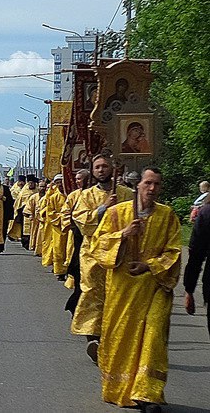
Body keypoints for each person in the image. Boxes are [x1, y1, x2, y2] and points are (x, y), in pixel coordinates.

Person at [92, 166, 180, 411]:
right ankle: (121, 389)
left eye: (157, 185)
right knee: (123, 338)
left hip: (154, 287)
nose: (152, 189)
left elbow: (173, 252)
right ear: (138, 185)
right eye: (148, 183)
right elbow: (98, 245)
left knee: (153, 338)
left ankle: (148, 393)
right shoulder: (117, 213)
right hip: (123, 289)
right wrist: (123, 234)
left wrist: (149, 265)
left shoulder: (167, 215)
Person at [71, 154, 135, 363]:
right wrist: (103, 208)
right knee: (93, 293)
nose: (101, 170)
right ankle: (94, 339)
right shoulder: (87, 195)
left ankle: (114, 341)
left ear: (112, 169)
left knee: (117, 296)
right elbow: (80, 219)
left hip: (121, 252)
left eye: (105, 166)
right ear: (92, 170)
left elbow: (138, 218)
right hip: (93, 253)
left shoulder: (126, 194)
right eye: (97, 167)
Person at [63, 168, 92, 313]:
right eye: (77, 179)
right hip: (78, 237)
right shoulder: (74, 195)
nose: (77, 182)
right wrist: (71, 223)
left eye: (80, 179)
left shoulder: (95, 195)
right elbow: (66, 213)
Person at [184, 190, 210, 338]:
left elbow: (196, 254)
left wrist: (189, 289)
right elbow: (196, 254)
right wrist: (189, 288)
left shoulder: (206, 212)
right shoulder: (207, 213)